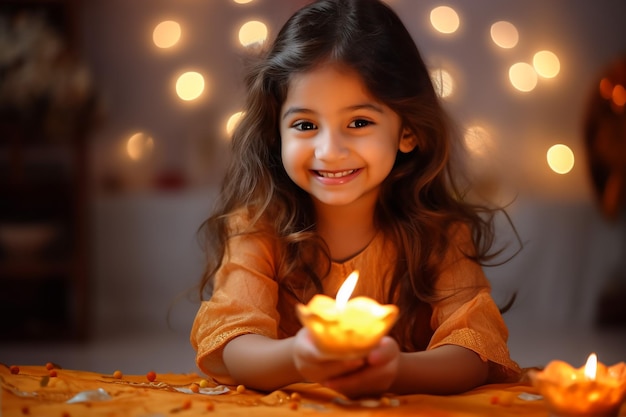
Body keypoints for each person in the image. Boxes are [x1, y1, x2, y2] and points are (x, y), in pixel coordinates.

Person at [191, 0, 521, 398]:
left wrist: (394, 370)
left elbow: (474, 352)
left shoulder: (442, 235)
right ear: (277, 133)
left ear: (408, 131)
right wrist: (300, 357)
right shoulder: (259, 227)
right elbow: (233, 346)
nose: (329, 150)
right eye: (306, 125)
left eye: (359, 122)